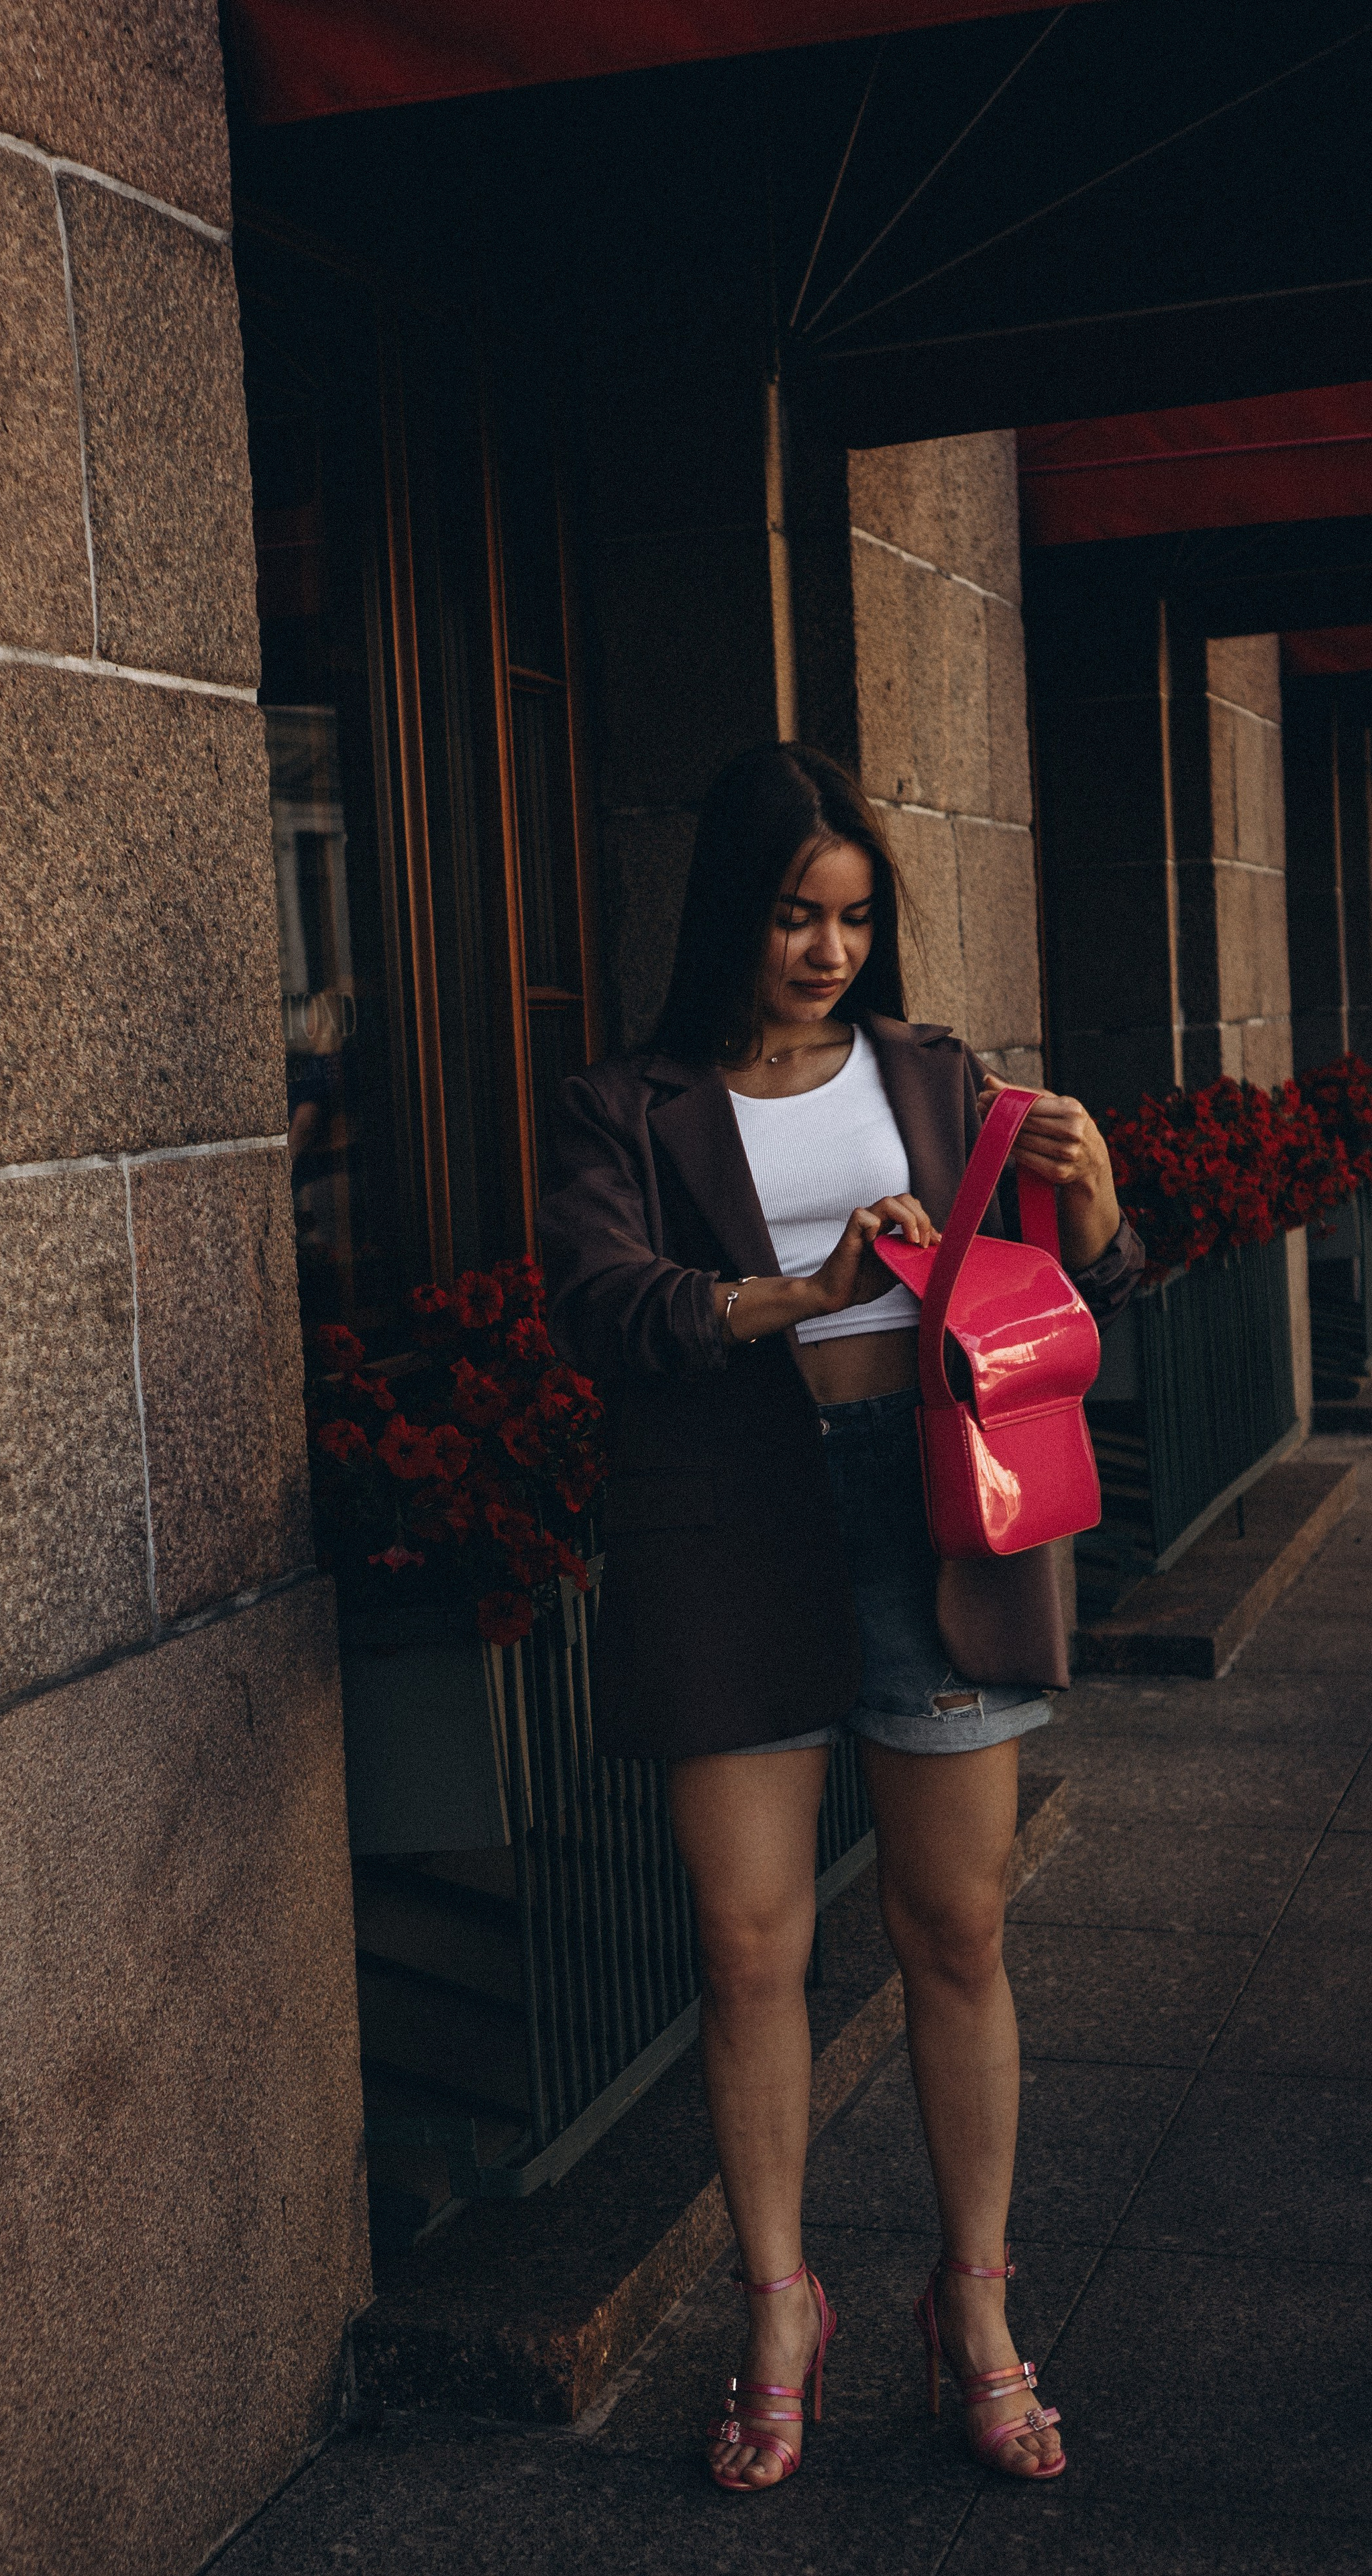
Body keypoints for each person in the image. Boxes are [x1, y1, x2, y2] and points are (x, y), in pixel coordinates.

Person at [537, 744, 1141, 2492]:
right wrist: (784, 1296)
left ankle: (975, 2309)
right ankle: (778, 2308)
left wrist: (1091, 1198)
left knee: (955, 1928)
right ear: (737, 912)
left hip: (931, 1514)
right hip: (728, 1527)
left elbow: (1061, 1294)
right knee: (749, 1946)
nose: (829, 948)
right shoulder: (623, 1107)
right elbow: (595, 1295)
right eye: (798, 915)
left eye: (857, 917)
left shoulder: (941, 1080)